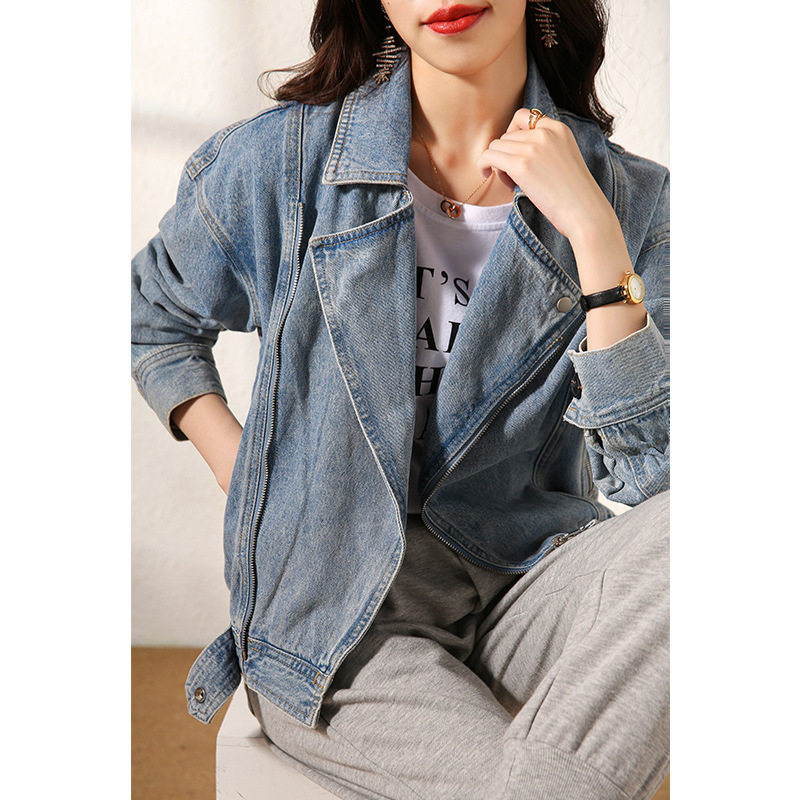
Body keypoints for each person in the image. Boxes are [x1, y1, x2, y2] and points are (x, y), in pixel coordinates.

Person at [131, 0, 669, 797]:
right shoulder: (284, 163)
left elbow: (655, 478)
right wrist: (243, 469)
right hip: (339, 617)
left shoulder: (630, 198)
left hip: (527, 585)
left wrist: (594, 235)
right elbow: (154, 315)